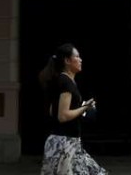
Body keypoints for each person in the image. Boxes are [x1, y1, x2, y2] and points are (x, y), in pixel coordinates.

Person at [38, 43, 106, 175]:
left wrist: (82, 107)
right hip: (64, 145)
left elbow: (53, 111)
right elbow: (62, 116)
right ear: (67, 61)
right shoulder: (66, 82)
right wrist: (85, 107)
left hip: (68, 143)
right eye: (77, 56)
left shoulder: (63, 80)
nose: (80, 59)